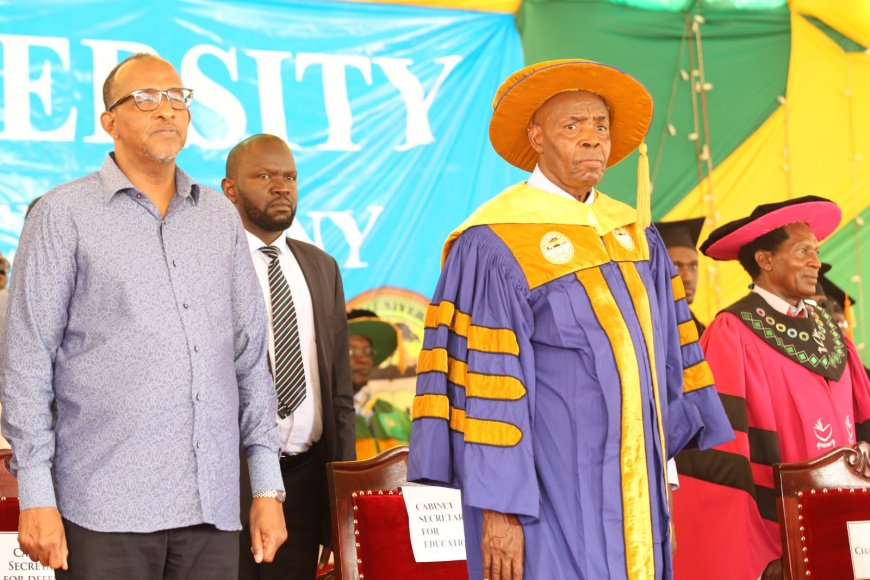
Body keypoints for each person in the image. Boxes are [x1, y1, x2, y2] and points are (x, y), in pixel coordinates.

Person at [408, 59, 732, 580]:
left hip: (637, 487)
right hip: (550, 489)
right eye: (572, 127)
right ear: (536, 137)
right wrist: (500, 508)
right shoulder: (496, 241)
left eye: (600, 127)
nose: (592, 140)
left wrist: (662, 452)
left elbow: (668, 355)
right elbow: (485, 387)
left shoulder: (633, 232)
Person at [0, 54, 286, 579]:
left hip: (211, 506)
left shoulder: (218, 218)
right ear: (109, 121)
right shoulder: (63, 215)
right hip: (103, 509)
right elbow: (26, 362)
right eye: (145, 99)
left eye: (177, 98)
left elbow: (249, 358)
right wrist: (35, 494)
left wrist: (266, 486)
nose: (166, 111)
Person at [672, 196, 870, 580]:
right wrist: (760, 551)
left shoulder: (828, 328)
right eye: (802, 251)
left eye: (816, 251)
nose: (815, 262)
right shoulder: (733, 332)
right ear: (765, 260)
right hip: (778, 535)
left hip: (848, 524)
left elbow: (863, 413)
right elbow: (723, 452)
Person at [221, 133, 355, 580]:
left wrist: (341, 502)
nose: (281, 187)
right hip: (227, 482)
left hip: (305, 479)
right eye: (264, 176)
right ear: (230, 189)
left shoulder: (321, 266)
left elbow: (339, 393)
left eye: (290, 177)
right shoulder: (209, 263)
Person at [347, 309, 410, 459]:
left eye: (367, 351)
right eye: (351, 351)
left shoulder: (397, 416)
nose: (363, 359)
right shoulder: (324, 418)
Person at [655, 217, 706, 334]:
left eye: (693, 267)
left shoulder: (698, 328)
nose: (688, 277)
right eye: (676, 267)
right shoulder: (650, 327)